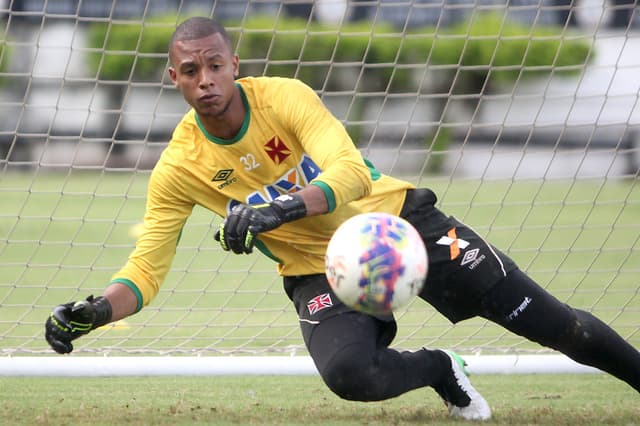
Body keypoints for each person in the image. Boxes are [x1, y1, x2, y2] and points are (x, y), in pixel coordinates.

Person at [45, 16, 640, 421]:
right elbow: (146, 270)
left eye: (215, 66)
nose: (206, 82)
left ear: (234, 64)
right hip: (317, 269)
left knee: (555, 326)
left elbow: (350, 172)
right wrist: (97, 311)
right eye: (190, 72)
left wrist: (277, 207)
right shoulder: (179, 166)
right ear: (173, 78)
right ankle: (440, 370)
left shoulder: (286, 97)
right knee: (352, 376)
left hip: (401, 225)